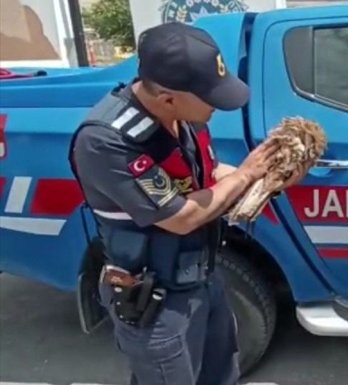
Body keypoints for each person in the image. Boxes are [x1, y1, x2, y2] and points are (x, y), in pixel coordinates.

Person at [68, 22, 305, 384]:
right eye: (210, 97)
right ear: (167, 96)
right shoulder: (108, 141)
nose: (217, 106)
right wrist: (245, 175)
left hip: (204, 279)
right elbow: (181, 216)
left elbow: (209, 175)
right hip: (155, 301)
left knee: (222, 375)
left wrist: (269, 175)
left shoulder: (184, 115)